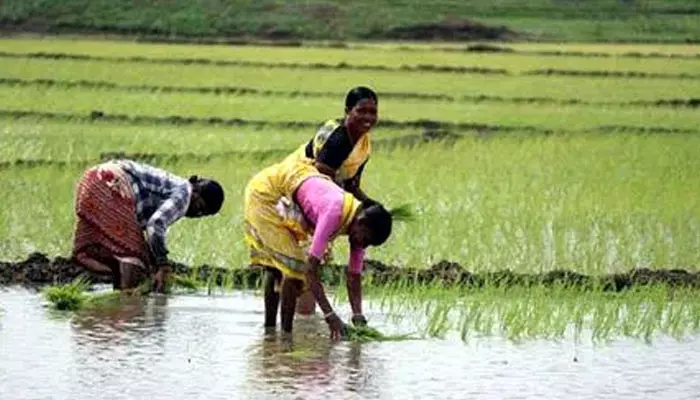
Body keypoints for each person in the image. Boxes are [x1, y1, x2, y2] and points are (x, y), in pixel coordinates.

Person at [243, 157, 393, 340]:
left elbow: (354, 276)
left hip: (290, 188)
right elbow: (310, 270)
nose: (363, 246)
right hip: (266, 192)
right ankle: (285, 339)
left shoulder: (359, 228)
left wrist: (358, 316)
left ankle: (271, 334)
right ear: (361, 223)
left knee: (278, 268)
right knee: (294, 267)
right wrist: (330, 315)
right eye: (366, 240)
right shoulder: (334, 212)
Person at [71, 158, 225, 293]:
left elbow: (147, 232)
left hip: (91, 178)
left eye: (202, 215)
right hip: (111, 183)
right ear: (196, 192)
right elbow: (155, 224)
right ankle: (128, 305)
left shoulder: (176, 186)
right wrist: (163, 265)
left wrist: (154, 262)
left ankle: (118, 302)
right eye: (200, 208)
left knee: (124, 254)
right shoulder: (185, 193)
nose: (196, 214)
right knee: (135, 257)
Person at [283, 86, 379, 204]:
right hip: (292, 183)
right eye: (361, 111)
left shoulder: (363, 143)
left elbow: (351, 185)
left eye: (372, 112)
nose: (368, 117)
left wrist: (371, 205)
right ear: (348, 111)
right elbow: (323, 181)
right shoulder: (339, 138)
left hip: (311, 189)